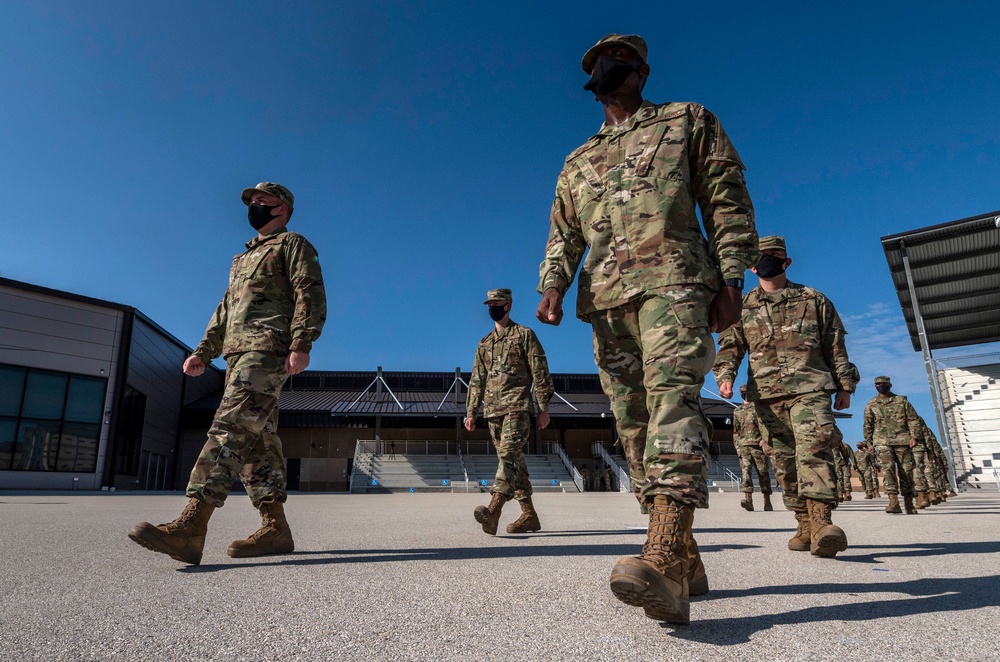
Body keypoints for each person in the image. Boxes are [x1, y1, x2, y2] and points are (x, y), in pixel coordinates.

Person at [536, 33, 757, 624]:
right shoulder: (578, 160)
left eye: (623, 59)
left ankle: (661, 554)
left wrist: (732, 277)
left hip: (676, 283)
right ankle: (685, 559)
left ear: (642, 70)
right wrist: (552, 282)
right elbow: (565, 232)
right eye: (601, 63)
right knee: (632, 426)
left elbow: (726, 200)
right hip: (606, 302)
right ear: (591, 82)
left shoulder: (687, 120)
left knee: (672, 404)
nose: (611, 67)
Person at [129, 182, 326, 565]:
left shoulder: (293, 244)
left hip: (266, 350)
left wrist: (302, 342)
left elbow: (310, 291)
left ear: (282, 208)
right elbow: (225, 311)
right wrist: (204, 352)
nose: (253, 205)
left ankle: (192, 526)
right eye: (251, 201)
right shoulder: (242, 259)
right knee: (257, 442)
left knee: (230, 428)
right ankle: (276, 529)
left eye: (262, 201)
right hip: (237, 356)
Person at [714, 235, 858, 559]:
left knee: (815, 448)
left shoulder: (813, 299)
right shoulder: (743, 306)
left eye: (775, 254)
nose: (768, 259)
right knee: (783, 461)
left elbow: (834, 343)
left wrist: (844, 385)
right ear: (752, 266)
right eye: (762, 255)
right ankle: (804, 523)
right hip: (766, 395)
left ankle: (823, 524)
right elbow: (730, 347)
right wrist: (724, 377)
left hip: (810, 388)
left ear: (787, 261)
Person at [466, 288, 555, 535]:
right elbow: (476, 379)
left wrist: (543, 408)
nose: (492, 307)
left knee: (507, 457)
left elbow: (540, 372)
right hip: (493, 412)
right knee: (515, 462)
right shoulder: (484, 343)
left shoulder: (524, 335)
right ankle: (529, 516)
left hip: (518, 407)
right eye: (489, 304)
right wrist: (471, 412)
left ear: (509, 305)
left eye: (497, 303)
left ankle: (494, 510)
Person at [863, 375, 921, 515]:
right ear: (875, 387)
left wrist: (915, 436)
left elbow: (913, 419)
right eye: (878, 384)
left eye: (883, 383)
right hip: (882, 442)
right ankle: (893, 502)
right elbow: (868, 425)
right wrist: (869, 443)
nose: (880, 386)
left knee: (906, 471)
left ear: (890, 385)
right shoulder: (871, 404)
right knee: (887, 470)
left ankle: (908, 503)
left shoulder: (901, 401)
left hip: (902, 440)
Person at [733, 385, 773, 511]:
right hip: (744, 446)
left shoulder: (758, 408)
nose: (744, 394)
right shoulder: (737, 410)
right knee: (746, 473)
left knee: (763, 473)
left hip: (757, 445)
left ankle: (767, 501)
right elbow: (736, 431)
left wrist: (764, 440)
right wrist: (737, 446)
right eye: (743, 393)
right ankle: (748, 500)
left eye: (746, 392)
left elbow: (766, 426)